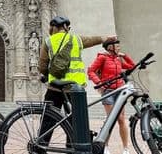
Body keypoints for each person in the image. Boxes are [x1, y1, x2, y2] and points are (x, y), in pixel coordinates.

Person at [36, 16, 115, 153]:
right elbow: (91, 40)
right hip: (75, 89)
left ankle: (39, 148)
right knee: (76, 122)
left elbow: (42, 66)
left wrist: (48, 75)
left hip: (55, 87)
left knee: (48, 120)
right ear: (65, 27)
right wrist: (104, 38)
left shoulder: (48, 41)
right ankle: (72, 148)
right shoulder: (76, 39)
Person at [88, 39, 135, 154]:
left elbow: (131, 66)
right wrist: (99, 83)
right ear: (110, 47)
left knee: (121, 119)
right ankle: (105, 146)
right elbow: (91, 71)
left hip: (120, 91)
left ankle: (126, 148)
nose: (119, 48)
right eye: (117, 46)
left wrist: (125, 56)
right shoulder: (102, 58)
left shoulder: (118, 58)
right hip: (108, 91)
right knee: (111, 120)